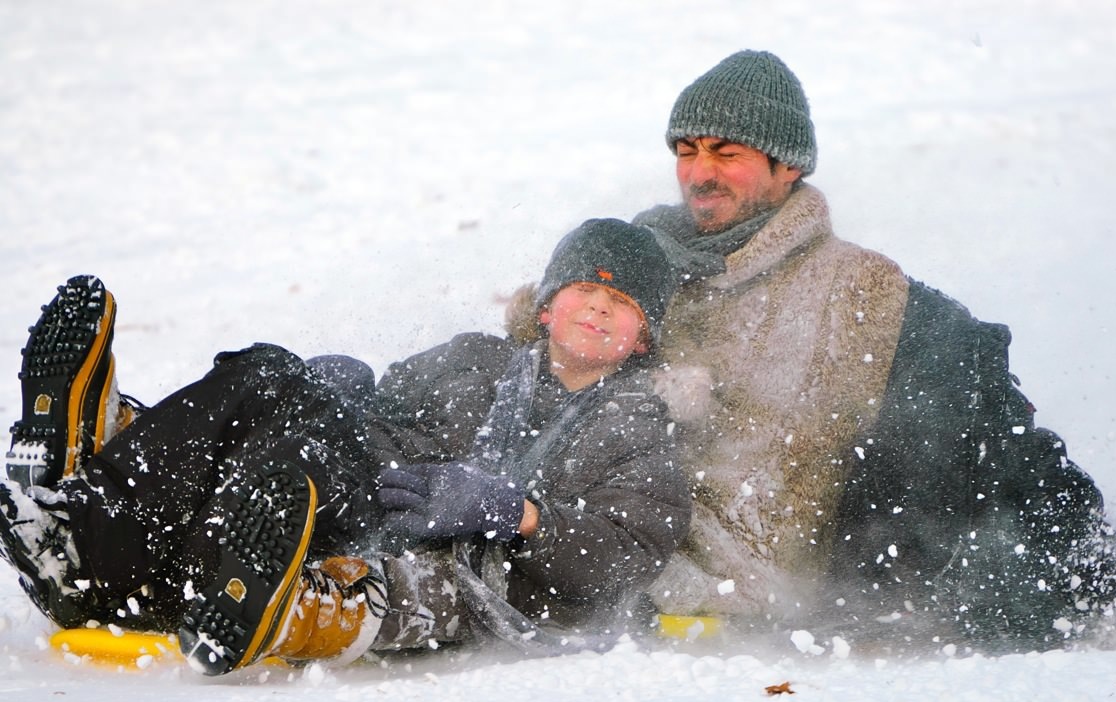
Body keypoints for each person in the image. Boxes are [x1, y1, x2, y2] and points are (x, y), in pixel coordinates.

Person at [506, 50, 1116, 650]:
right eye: (687, 149)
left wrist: (1097, 582)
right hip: (591, 544)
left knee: (960, 422)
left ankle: (1093, 591)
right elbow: (517, 380)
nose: (700, 172)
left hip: (742, 589)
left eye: (727, 152)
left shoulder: (861, 289)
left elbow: (998, 441)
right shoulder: (629, 262)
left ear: (787, 166)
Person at [0, 218, 690, 673]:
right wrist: (341, 388)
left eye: (623, 302)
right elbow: (380, 402)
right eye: (583, 289)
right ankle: (89, 494)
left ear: (643, 335)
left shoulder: (638, 430)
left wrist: (520, 514)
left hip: (410, 546)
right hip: (354, 477)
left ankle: (100, 530)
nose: (599, 306)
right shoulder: (476, 358)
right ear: (546, 307)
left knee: (289, 444)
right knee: (271, 374)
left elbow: (628, 552)